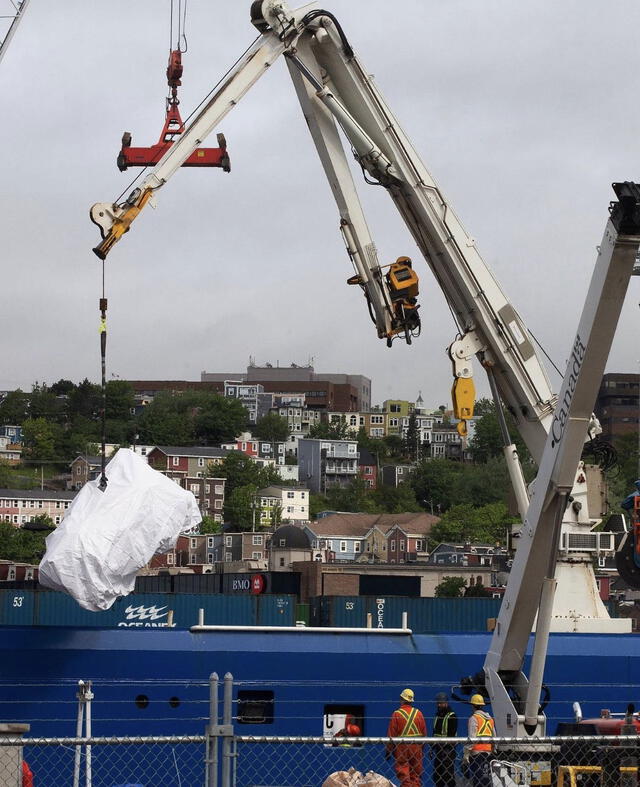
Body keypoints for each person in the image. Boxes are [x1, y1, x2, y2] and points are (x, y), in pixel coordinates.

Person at [385, 688, 427, 787]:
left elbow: (391, 734)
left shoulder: (397, 714)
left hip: (402, 747)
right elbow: (424, 733)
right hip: (416, 746)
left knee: (403, 773)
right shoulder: (419, 713)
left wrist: (388, 750)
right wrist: (421, 748)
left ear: (401, 699)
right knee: (416, 775)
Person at [463, 694, 494, 787]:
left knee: (477, 780)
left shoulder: (474, 718)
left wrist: (466, 753)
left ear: (473, 705)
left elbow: (472, 737)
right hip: (488, 753)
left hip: (476, 753)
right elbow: (494, 736)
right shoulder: (490, 719)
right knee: (486, 779)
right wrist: (494, 750)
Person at [432, 692, 458, 787]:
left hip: (448, 749)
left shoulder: (451, 716)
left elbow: (451, 734)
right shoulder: (438, 716)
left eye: (441, 703)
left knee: (448, 774)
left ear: (446, 703)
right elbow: (435, 733)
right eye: (438, 703)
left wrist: (446, 747)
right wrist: (432, 747)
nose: (439, 705)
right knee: (437, 775)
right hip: (438, 749)